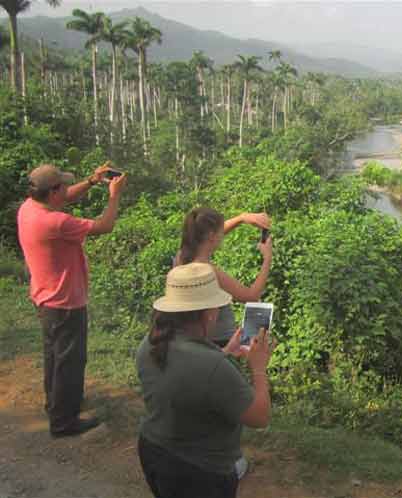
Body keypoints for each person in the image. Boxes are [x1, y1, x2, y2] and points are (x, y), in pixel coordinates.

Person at [136, 262, 273, 498]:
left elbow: (187, 377)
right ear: (209, 314)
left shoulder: (150, 344)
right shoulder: (212, 366)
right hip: (199, 470)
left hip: (154, 451)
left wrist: (226, 353)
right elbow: (259, 417)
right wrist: (258, 368)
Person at [17, 162, 127, 438]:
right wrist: (114, 194)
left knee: (55, 356)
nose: (67, 189)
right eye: (63, 186)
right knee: (70, 360)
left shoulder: (29, 208)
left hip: (45, 296)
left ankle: (55, 406)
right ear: (52, 192)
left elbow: (65, 197)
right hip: (64, 300)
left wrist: (92, 180)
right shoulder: (56, 222)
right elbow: (105, 226)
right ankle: (64, 422)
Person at [176, 206, 272, 477]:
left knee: (201, 402)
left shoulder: (182, 258)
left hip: (191, 339)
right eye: (220, 233)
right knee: (228, 405)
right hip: (217, 341)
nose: (223, 236)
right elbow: (251, 295)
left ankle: (202, 450)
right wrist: (267, 259)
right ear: (210, 238)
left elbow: (203, 237)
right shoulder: (209, 271)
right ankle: (228, 460)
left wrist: (242, 218)